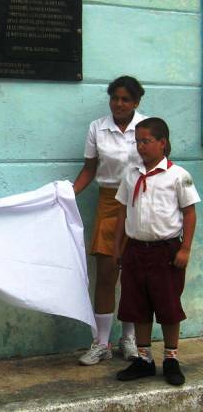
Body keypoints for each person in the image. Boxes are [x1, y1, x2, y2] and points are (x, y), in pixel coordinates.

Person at [114, 117, 200, 386]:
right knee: (138, 305)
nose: (141, 146)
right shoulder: (131, 174)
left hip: (166, 251)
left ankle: (171, 358)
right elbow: (121, 213)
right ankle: (144, 359)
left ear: (162, 143)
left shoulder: (178, 176)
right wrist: (118, 248)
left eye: (146, 141)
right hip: (136, 250)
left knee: (168, 306)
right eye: (137, 141)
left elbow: (189, 213)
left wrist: (185, 249)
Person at [74, 76, 147, 366]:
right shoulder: (97, 128)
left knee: (134, 275)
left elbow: (160, 166)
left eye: (125, 99)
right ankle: (101, 342)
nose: (119, 104)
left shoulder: (147, 127)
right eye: (114, 98)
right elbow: (89, 169)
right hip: (108, 202)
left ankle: (128, 339)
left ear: (136, 102)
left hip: (141, 201)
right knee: (106, 272)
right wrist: (67, 194)